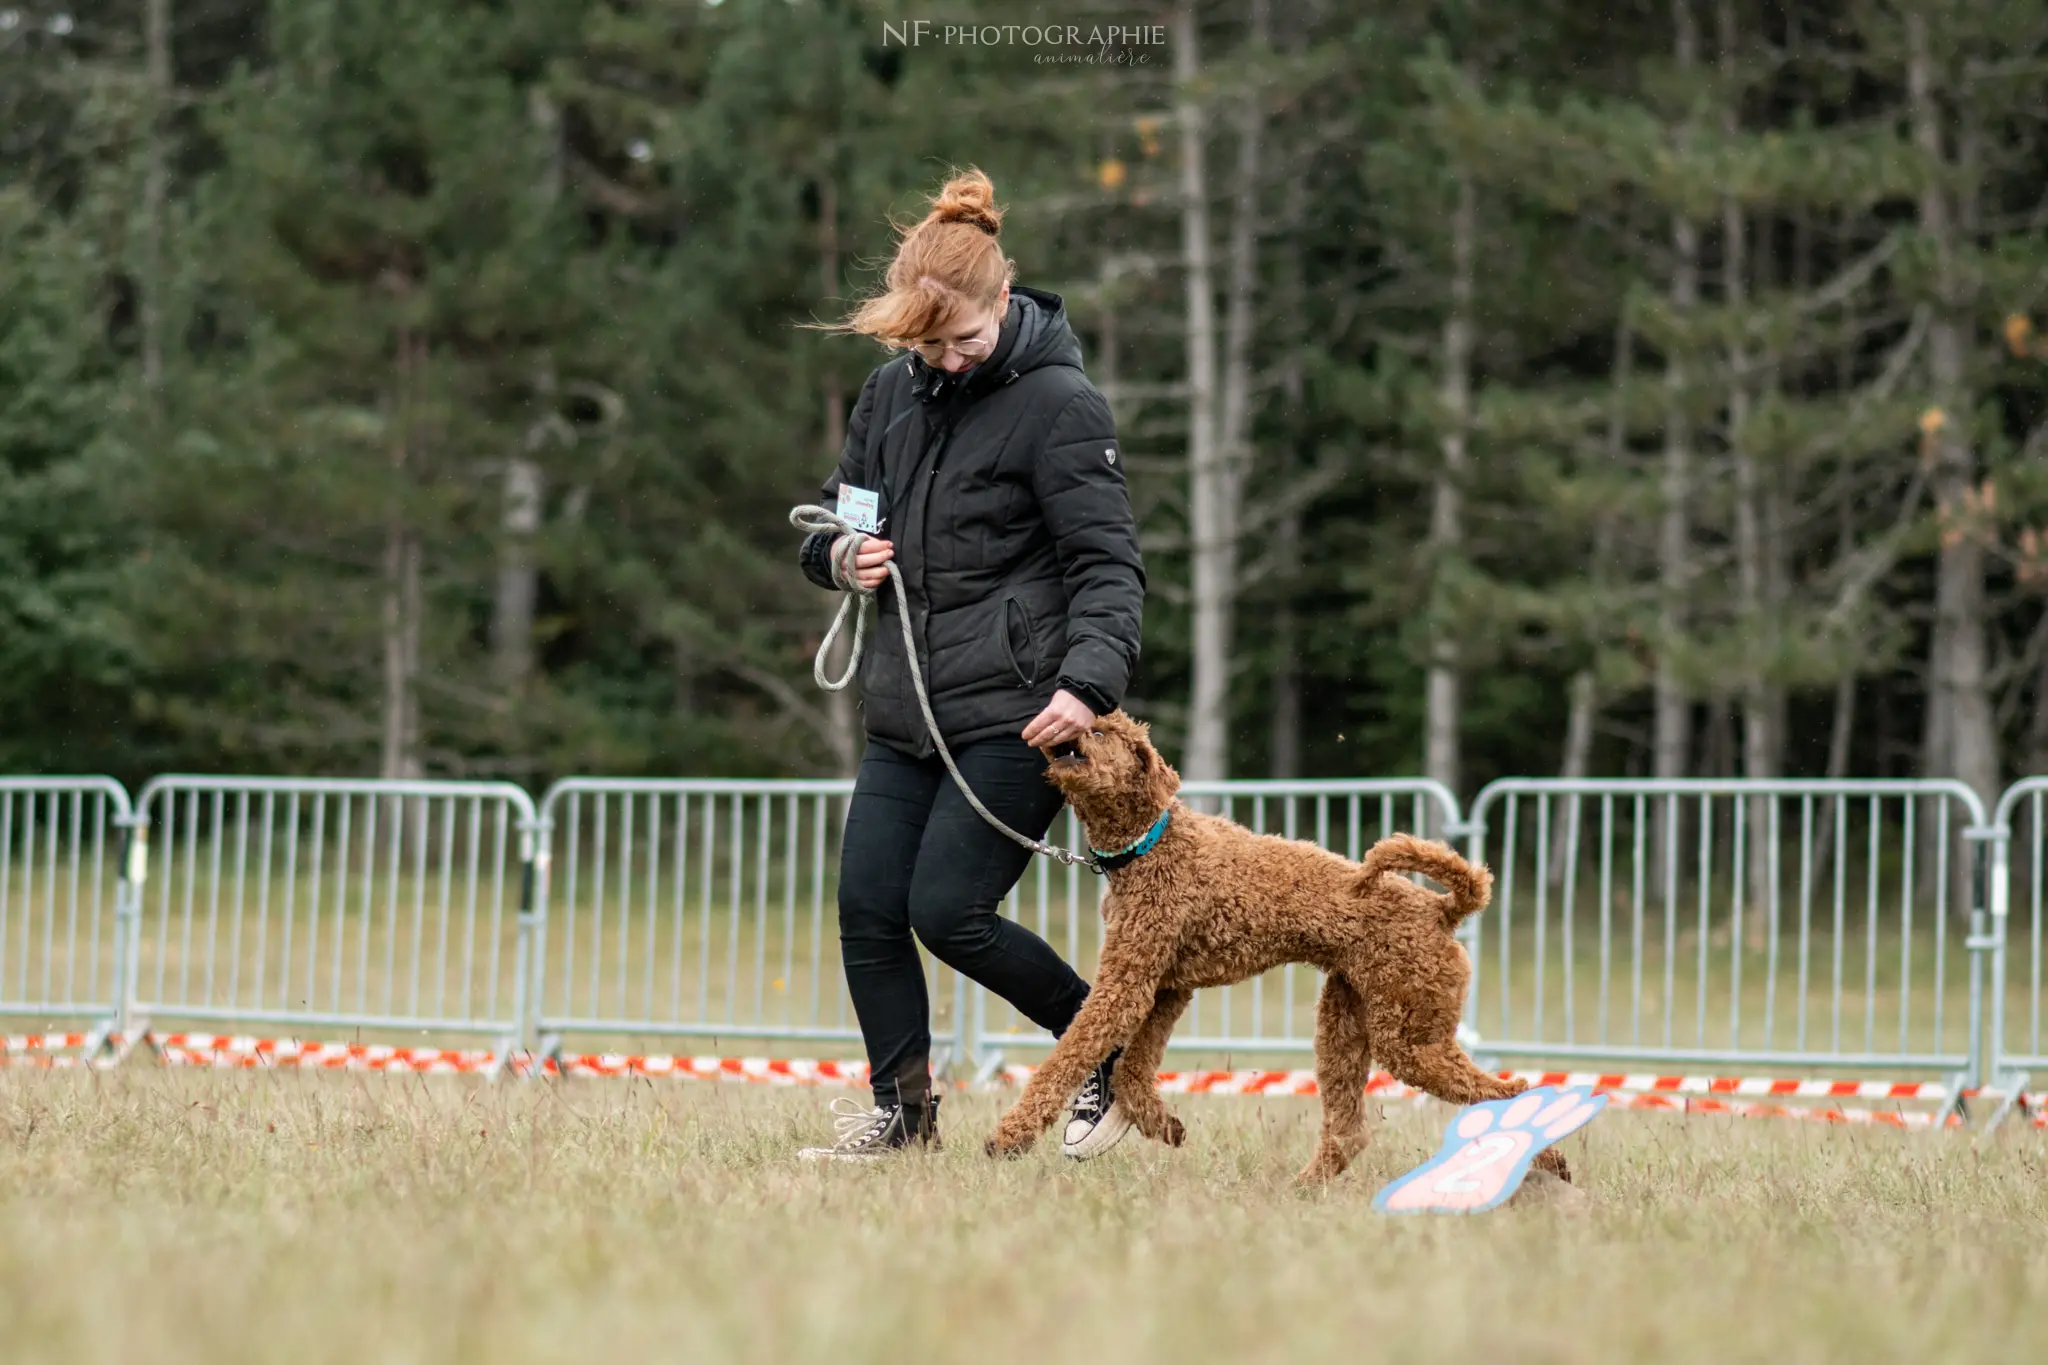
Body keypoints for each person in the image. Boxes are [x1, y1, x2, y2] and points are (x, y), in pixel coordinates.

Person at [793, 167, 1146, 1161]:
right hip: (904, 707)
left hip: (1018, 712)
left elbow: (1107, 566)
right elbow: (836, 512)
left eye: (963, 341)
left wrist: (1086, 682)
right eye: (925, 345)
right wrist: (838, 555)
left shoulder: (1060, 405)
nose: (944, 362)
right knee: (867, 908)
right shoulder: (885, 397)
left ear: (1003, 301)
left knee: (945, 912)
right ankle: (902, 1120)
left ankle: (1108, 1053)